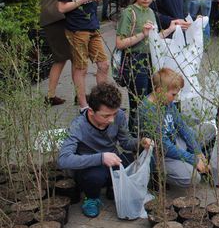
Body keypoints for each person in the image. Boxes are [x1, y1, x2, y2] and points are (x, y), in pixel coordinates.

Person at [58, 82, 153, 217]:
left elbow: (126, 142)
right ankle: (91, 198)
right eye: (105, 116)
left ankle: (113, 188)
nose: (112, 120)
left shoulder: (118, 115)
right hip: (91, 166)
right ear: (91, 111)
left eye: (114, 114)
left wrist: (141, 142)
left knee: (137, 161)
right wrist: (101, 158)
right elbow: (63, 159)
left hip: (113, 160)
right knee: (94, 177)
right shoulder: (78, 126)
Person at [116, 0, 178, 132]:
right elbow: (119, 43)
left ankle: (149, 133)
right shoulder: (129, 13)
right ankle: (135, 137)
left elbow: (154, 38)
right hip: (134, 62)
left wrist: (171, 28)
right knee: (138, 102)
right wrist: (142, 34)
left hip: (151, 60)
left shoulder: (150, 11)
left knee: (152, 99)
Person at [57, 0, 109, 112]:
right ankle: (83, 106)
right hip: (77, 28)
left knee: (103, 65)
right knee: (81, 68)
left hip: (92, 26)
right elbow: (62, 7)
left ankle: (101, 101)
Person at [138, 68, 209, 188]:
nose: (176, 98)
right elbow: (164, 146)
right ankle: (157, 174)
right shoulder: (148, 110)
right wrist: (193, 159)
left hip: (174, 142)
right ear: (160, 90)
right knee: (193, 178)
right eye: (174, 94)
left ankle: (188, 161)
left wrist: (198, 152)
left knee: (206, 130)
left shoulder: (167, 102)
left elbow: (182, 127)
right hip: (161, 154)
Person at [41, 0, 72, 106]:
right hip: (56, 19)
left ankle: (51, 95)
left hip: (50, 19)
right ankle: (52, 96)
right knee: (64, 58)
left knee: (62, 58)